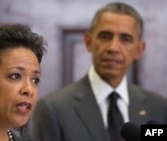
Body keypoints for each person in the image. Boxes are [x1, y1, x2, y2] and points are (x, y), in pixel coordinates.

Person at [32, 2, 167, 141]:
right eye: (105, 36)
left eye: (125, 39)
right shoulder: (53, 109)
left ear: (139, 49)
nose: (113, 48)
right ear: (88, 41)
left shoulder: (159, 108)